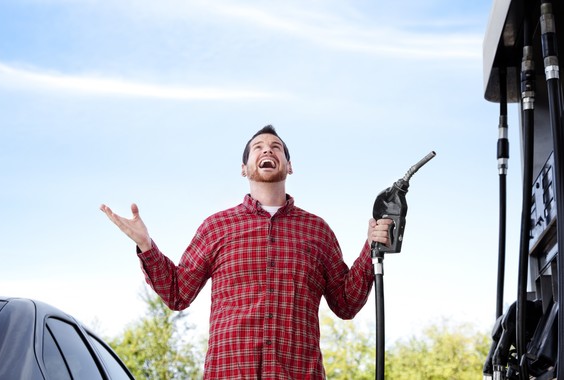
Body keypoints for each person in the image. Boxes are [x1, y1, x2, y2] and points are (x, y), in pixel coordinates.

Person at [100, 125, 392, 379]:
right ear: (244, 168)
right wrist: (146, 245)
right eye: (258, 147)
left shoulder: (317, 231)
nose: (268, 150)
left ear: (289, 166)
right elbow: (178, 293)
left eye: (276, 147)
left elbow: (346, 304)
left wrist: (371, 247)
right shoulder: (217, 227)